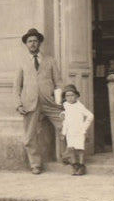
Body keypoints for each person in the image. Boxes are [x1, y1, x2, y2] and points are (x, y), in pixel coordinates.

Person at [13, 27, 65, 174]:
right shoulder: (22, 62)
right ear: (26, 44)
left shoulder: (50, 60)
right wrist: (18, 104)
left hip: (50, 102)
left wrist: (59, 100)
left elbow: (59, 82)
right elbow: (17, 86)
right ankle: (35, 164)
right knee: (30, 136)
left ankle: (69, 157)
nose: (33, 44)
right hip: (30, 103)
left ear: (40, 43)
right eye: (30, 41)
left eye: (35, 41)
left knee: (66, 127)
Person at [60, 84, 94, 176]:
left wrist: (84, 127)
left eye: (72, 95)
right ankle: (75, 166)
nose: (70, 98)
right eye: (67, 96)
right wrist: (63, 132)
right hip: (70, 131)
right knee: (71, 148)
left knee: (79, 148)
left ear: (76, 96)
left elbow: (90, 116)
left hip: (79, 131)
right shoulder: (66, 105)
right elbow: (66, 120)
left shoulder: (80, 106)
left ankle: (81, 166)